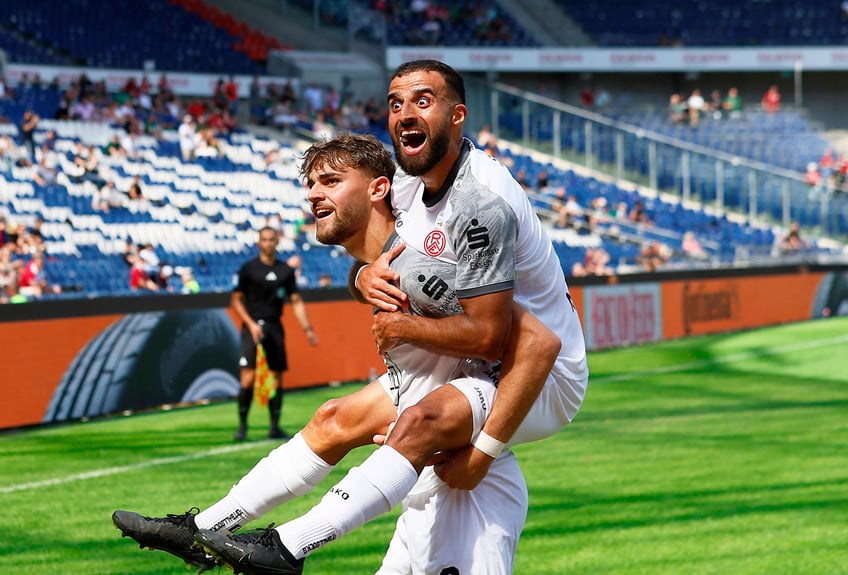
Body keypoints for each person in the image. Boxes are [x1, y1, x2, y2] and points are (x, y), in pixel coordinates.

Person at [200, 60, 588, 572]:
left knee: (421, 426)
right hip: (470, 365)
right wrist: (361, 279)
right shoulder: (408, 183)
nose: (405, 112)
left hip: (536, 375)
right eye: (395, 103)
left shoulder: (481, 200)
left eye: (423, 101)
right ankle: (207, 528)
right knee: (335, 420)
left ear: (458, 116)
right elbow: (373, 241)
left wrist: (483, 452)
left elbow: (508, 339)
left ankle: (287, 545)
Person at [230, 227, 318, 441]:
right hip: (251, 328)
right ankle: (242, 426)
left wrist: (308, 329)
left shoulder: (284, 271)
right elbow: (235, 300)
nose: (268, 243)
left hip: (274, 326)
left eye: (271, 240)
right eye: (264, 240)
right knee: (248, 379)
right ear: (259, 243)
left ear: (277, 242)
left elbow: (295, 300)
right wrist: (250, 324)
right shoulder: (248, 269)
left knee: (277, 378)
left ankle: (274, 427)